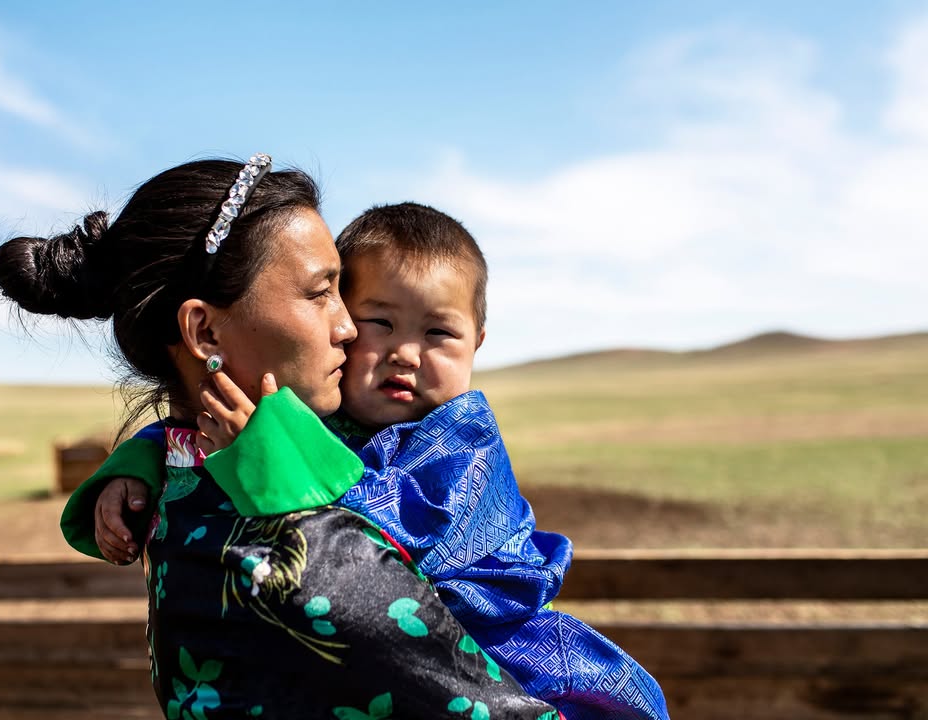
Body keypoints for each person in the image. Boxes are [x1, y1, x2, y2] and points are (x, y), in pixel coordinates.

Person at [0, 155, 559, 719]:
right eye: (321, 293)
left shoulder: (213, 484)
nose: (348, 327)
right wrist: (140, 462)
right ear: (205, 330)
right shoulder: (229, 506)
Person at [66, 203, 670, 719]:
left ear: (478, 342)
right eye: (378, 322)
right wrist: (139, 463)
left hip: (506, 654)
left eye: (439, 334)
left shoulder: (463, 438)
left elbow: (395, 539)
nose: (405, 353)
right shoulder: (319, 426)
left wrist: (279, 463)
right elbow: (196, 434)